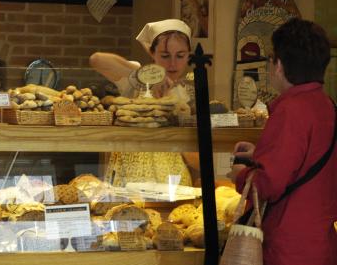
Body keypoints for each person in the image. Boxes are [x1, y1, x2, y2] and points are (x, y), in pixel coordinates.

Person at [227, 18, 337, 265]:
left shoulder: (290, 110)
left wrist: (240, 176)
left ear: (278, 65)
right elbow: (308, 162)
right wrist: (260, 154)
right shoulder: (327, 105)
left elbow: (267, 184)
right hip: (321, 242)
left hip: (287, 247)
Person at [89, 19, 200, 187]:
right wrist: (147, 76)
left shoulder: (188, 93)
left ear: (188, 55)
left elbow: (197, 161)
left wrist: (178, 137)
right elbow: (96, 60)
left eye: (180, 55)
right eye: (164, 55)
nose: (172, 63)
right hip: (129, 183)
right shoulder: (135, 81)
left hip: (174, 186)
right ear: (152, 53)